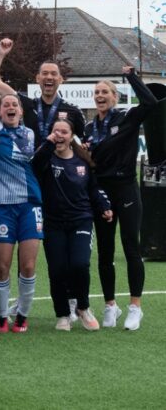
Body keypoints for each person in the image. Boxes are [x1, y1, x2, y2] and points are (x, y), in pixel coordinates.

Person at [84, 66, 158, 330]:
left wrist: (131, 76)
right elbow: (88, 163)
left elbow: (150, 102)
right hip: (102, 193)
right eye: (97, 92)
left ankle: (135, 307)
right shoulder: (89, 127)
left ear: (114, 97)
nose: (100, 95)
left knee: (130, 247)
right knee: (105, 252)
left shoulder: (126, 118)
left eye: (105, 92)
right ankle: (110, 305)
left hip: (126, 190)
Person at [0, 38, 42, 333]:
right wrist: (0, 55)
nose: (9, 106)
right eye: (5, 104)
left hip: (30, 206)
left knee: (28, 266)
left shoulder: (30, 133)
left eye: (13, 105)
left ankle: (23, 316)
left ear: (19, 110)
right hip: (3, 208)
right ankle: (3, 316)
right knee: (2, 266)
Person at [33, 119, 112, 331]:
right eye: (55, 131)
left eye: (64, 132)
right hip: (53, 223)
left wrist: (104, 205)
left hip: (81, 219)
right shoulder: (46, 158)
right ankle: (62, 315)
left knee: (79, 264)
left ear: (71, 137)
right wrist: (48, 143)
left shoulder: (83, 161)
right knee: (57, 269)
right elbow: (34, 164)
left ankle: (83, 308)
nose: (59, 134)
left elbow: (93, 189)